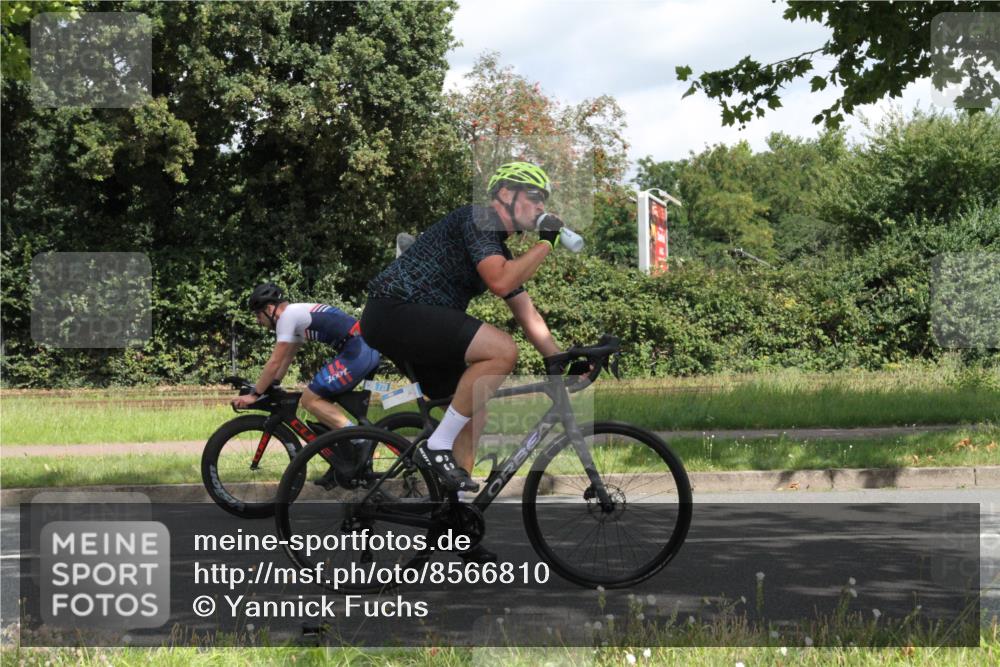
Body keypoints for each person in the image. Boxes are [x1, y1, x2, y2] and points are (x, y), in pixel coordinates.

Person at [361, 161, 568, 494]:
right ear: (505, 193)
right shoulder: (478, 218)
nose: (541, 205)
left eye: (544, 198)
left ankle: (454, 518)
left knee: (473, 413)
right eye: (534, 195)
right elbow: (501, 282)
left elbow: (527, 314)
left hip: (415, 321)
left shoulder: (496, 250)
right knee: (502, 349)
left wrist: (563, 359)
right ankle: (437, 445)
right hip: (394, 310)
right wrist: (546, 243)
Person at [233, 283, 381, 486]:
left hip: (357, 351)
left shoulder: (287, 317)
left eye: (258, 315)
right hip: (359, 349)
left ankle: (360, 440)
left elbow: (274, 361)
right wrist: (274, 384)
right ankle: (341, 462)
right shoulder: (294, 317)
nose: (258, 322)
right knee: (321, 405)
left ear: (269, 309)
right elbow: (286, 358)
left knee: (309, 399)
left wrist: (255, 394)